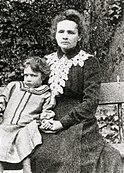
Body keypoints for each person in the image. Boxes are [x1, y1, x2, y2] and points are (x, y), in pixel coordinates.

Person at [30, 9, 122, 173]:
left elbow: (90, 102)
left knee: (65, 157)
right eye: (61, 31)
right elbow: (34, 92)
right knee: (40, 153)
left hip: (78, 122)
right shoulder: (46, 62)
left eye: (71, 32)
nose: (65, 36)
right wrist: (41, 116)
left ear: (79, 36)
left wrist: (61, 123)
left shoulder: (88, 62)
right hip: (48, 118)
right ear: (55, 35)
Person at [0, 56, 56, 173]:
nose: (28, 79)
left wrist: (45, 120)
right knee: (0, 137)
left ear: (43, 77)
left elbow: (47, 110)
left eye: (33, 75)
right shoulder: (14, 86)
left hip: (26, 126)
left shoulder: (45, 93)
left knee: (24, 138)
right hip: (7, 125)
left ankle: (27, 170)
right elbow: (2, 99)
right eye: (26, 75)